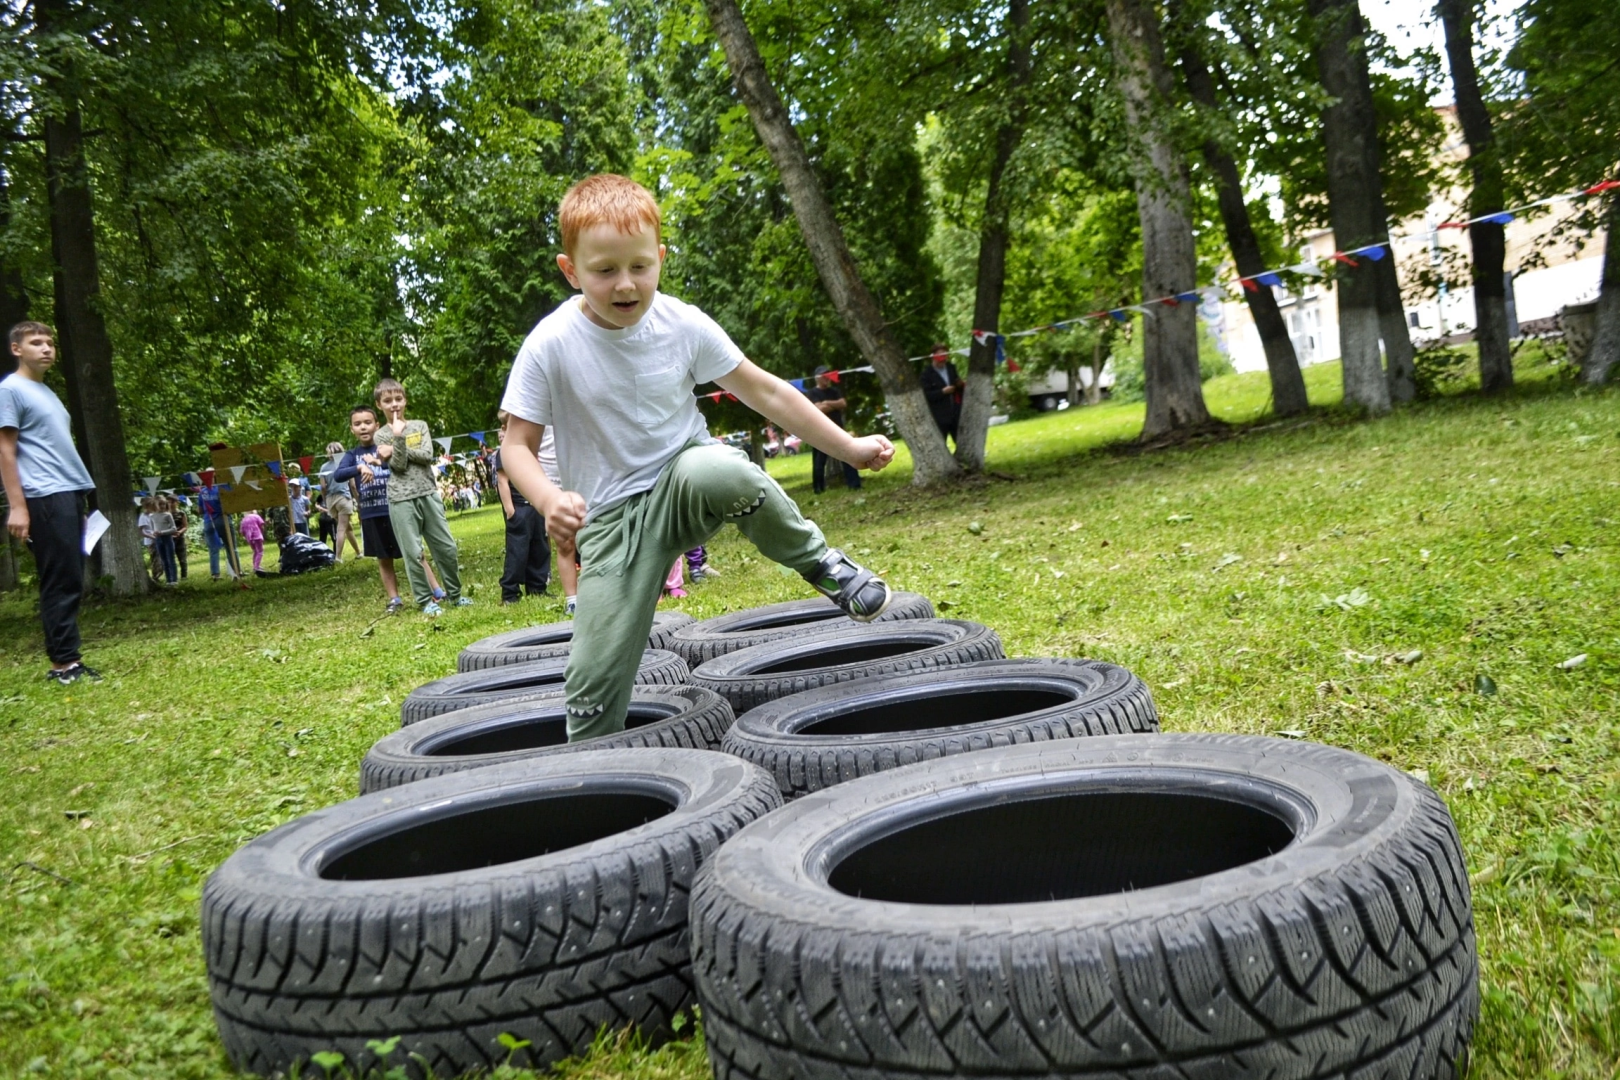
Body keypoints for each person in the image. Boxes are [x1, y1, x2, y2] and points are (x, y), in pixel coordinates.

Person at [499, 173, 895, 741]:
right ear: (570, 270)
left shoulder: (681, 323)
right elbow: (516, 445)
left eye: (640, 266)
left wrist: (850, 450)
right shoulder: (550, 343)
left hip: (684, 480)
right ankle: (590, 774)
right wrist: (548, 498)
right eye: (604, 270)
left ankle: (822, 563)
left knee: (724, 468)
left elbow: (767, 391)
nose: (625, 284)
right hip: (610, 522)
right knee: (590, 696)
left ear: (659, 257)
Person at [0, 321, 100, 684]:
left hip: (68, 491)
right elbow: (5, 450)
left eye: (50, 343)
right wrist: (18, 506)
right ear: (17, 349)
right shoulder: (10, 390)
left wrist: (80, 498)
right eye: (35, 342)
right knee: (60, 580)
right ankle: (63, 665)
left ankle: (69, 659)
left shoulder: (47, 393)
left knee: (71, 576)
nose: (46, 348)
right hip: (44, 494)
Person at [370, 378, 470, 615]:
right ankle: (425, 601)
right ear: (379, 405)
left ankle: (456, 596)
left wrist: (394, 447)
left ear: (405, 400)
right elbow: (400, 465)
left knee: (446, 548)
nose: (394, 404)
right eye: (387, 400)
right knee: (414, 553)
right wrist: (397, 438)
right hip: (400, 499)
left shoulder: (420, 425)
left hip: (428, 493)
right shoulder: (380, 435)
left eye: (398, 399)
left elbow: (427, 455)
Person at [493, 411, 549, 604]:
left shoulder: (530, 450)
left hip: (534, 505)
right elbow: (502, 480)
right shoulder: (505, 451)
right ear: (505, 429)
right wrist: (510, 510)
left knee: (539, 548)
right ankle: (510, 592)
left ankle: (537, 587)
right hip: (518, 508)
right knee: (517, 551)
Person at [802, 365, 862, 494]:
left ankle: (854, 484)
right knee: (819, 461)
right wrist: (833, 405)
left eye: (828, 375)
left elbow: (843, 403)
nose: (826, 378)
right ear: (817, 378)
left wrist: (826, 403)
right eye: (824, 375)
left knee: (847, 455)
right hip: (820, 431)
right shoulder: (812, 393)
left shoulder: (834, 391)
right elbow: (817, 409)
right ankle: (818, 488)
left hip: (838, 429)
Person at [321, 441, 361, 561]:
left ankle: (359, 552)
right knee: (342, 528)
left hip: (330, 500)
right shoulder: (345, 465)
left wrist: (325, 500)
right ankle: (338, 557)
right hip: (343, 498)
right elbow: (353, 485)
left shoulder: (323, 467)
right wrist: (358, 500)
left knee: (347, 527)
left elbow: (323, 487)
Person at [921, 344, 964, 450]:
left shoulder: (951, 368)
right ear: (933, 357)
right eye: (940, 358)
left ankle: (963, 460)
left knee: (961, 441)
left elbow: (956, 384)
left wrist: (960, 385)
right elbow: (926, 395)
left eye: (945, 357)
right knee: (940, 443)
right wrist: (942, 392)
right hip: (939, 415)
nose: (942, 361)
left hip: (955, 411)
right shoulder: (926, 374)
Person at [239, 508, 266, 572]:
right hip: (257, 536)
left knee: (255, 551)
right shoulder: (256, 516)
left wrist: (246, 536)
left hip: (249, 538)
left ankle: (255, 565)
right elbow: (262, 526)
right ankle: (256, 567)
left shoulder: (243, 519)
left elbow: (241, 531)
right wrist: (262, 533)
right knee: (260, 551)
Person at [169, 494, 190, 580]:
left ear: (177, 503)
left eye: (172, 502)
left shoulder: (181, 513)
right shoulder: (165, 513)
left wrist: (179, 532)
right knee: (170, 558)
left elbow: (185, 526)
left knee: (182, 558)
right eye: (168, 502)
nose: (170, 504)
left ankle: (184, 576)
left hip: (179, 538)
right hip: (169, 538)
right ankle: (173, 576)